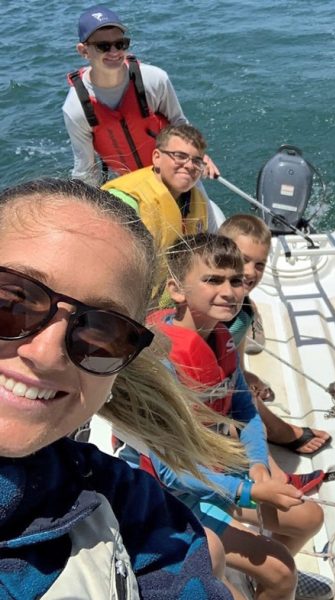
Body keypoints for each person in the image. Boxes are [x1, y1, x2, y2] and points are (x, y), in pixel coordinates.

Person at [0, 178, 249, 598]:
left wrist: (256, 466)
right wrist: (249, 489)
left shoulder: (129, 502)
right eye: (10, 303)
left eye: (101, 331)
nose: (46, 353)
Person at [131, 233, 334, 600]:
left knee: (311, 517)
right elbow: (167, 470)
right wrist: (248, 491)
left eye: (236, 280)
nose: (229, 290)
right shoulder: (160, 361)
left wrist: (257, 464)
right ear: (177, 291)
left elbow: (243, 409)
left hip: (216, 466)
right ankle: (271, 581)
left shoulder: (220, 337)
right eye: (213, 280)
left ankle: (264, 583)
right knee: (282, 570)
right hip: (172, 491)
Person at [63, 5, 219, 186]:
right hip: (133, 187)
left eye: (120, 44)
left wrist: (199, 155)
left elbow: (179, 123)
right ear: (83, 51)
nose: (114, 52)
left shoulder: (154, 79)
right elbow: (86, 169)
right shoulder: (75, 108)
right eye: (103, 46)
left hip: (177, 172)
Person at [219, 214, 332, 455]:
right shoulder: (211, 316)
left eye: (259, 265)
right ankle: (271, 438)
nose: (250, 272)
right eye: (243, 260)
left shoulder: (245, 308)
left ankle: (269, 427)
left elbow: (235, 359)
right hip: (201, 398)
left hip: (223, 384)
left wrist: (245, 374)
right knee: (243, 398)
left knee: (245, 389)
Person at [102, 123, 211, 252]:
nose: (189, 166)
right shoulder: (126, 202)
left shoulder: (197, 200)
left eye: (196, 161)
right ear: (157, 158)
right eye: (180, 156)